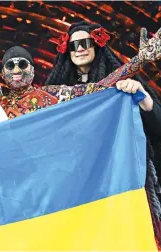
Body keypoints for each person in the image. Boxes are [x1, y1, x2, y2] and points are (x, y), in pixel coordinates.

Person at [44, 21, 161, 244]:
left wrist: (142, 96)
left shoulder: (125, 82)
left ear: (97, 44)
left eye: (85, 42)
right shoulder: (54, 90)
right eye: (73, 45)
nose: (79, 48)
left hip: (118, 176)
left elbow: (158, 126)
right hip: (74, 184)